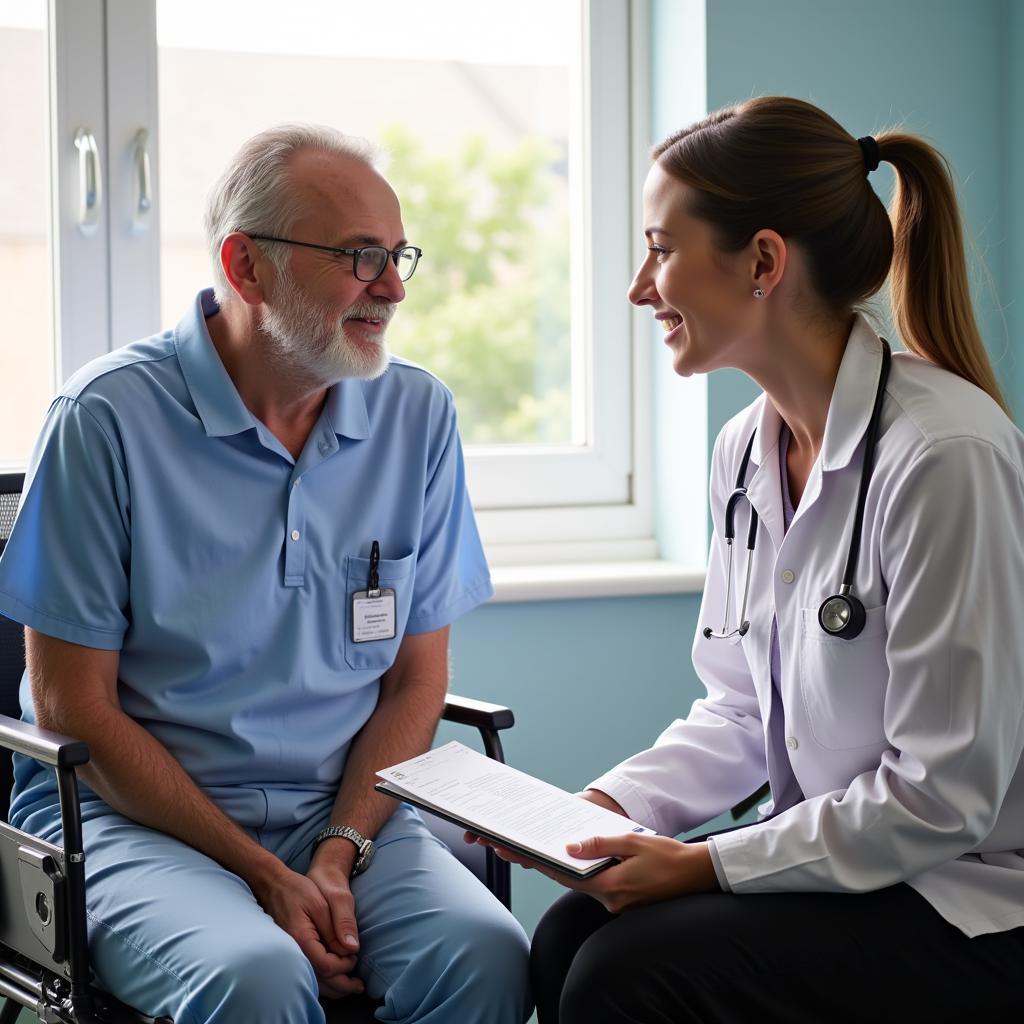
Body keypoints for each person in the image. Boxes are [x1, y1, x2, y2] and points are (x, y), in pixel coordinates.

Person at [477, 96, 1024, 1022]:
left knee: (628, 974)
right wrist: (602, 808)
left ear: (764, 262)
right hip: (848, 858)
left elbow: (943, 796)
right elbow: (738, 705)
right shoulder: (745, 448)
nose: (640, 286)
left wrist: (704, 865)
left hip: (965, 892)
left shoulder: (944, 457)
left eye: (661, 248)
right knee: (569, 930)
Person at [0, 124, 531, 1024]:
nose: (394, 288)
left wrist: (333, 853)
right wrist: (264, 877)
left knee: (487, 957)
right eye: (361, 258)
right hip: (131, 821)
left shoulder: (417, 416)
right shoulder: (105, 418)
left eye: (399, 255)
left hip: (345, 816)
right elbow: (72, 708)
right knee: (254, 976)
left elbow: (416, 679)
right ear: (246, 267)